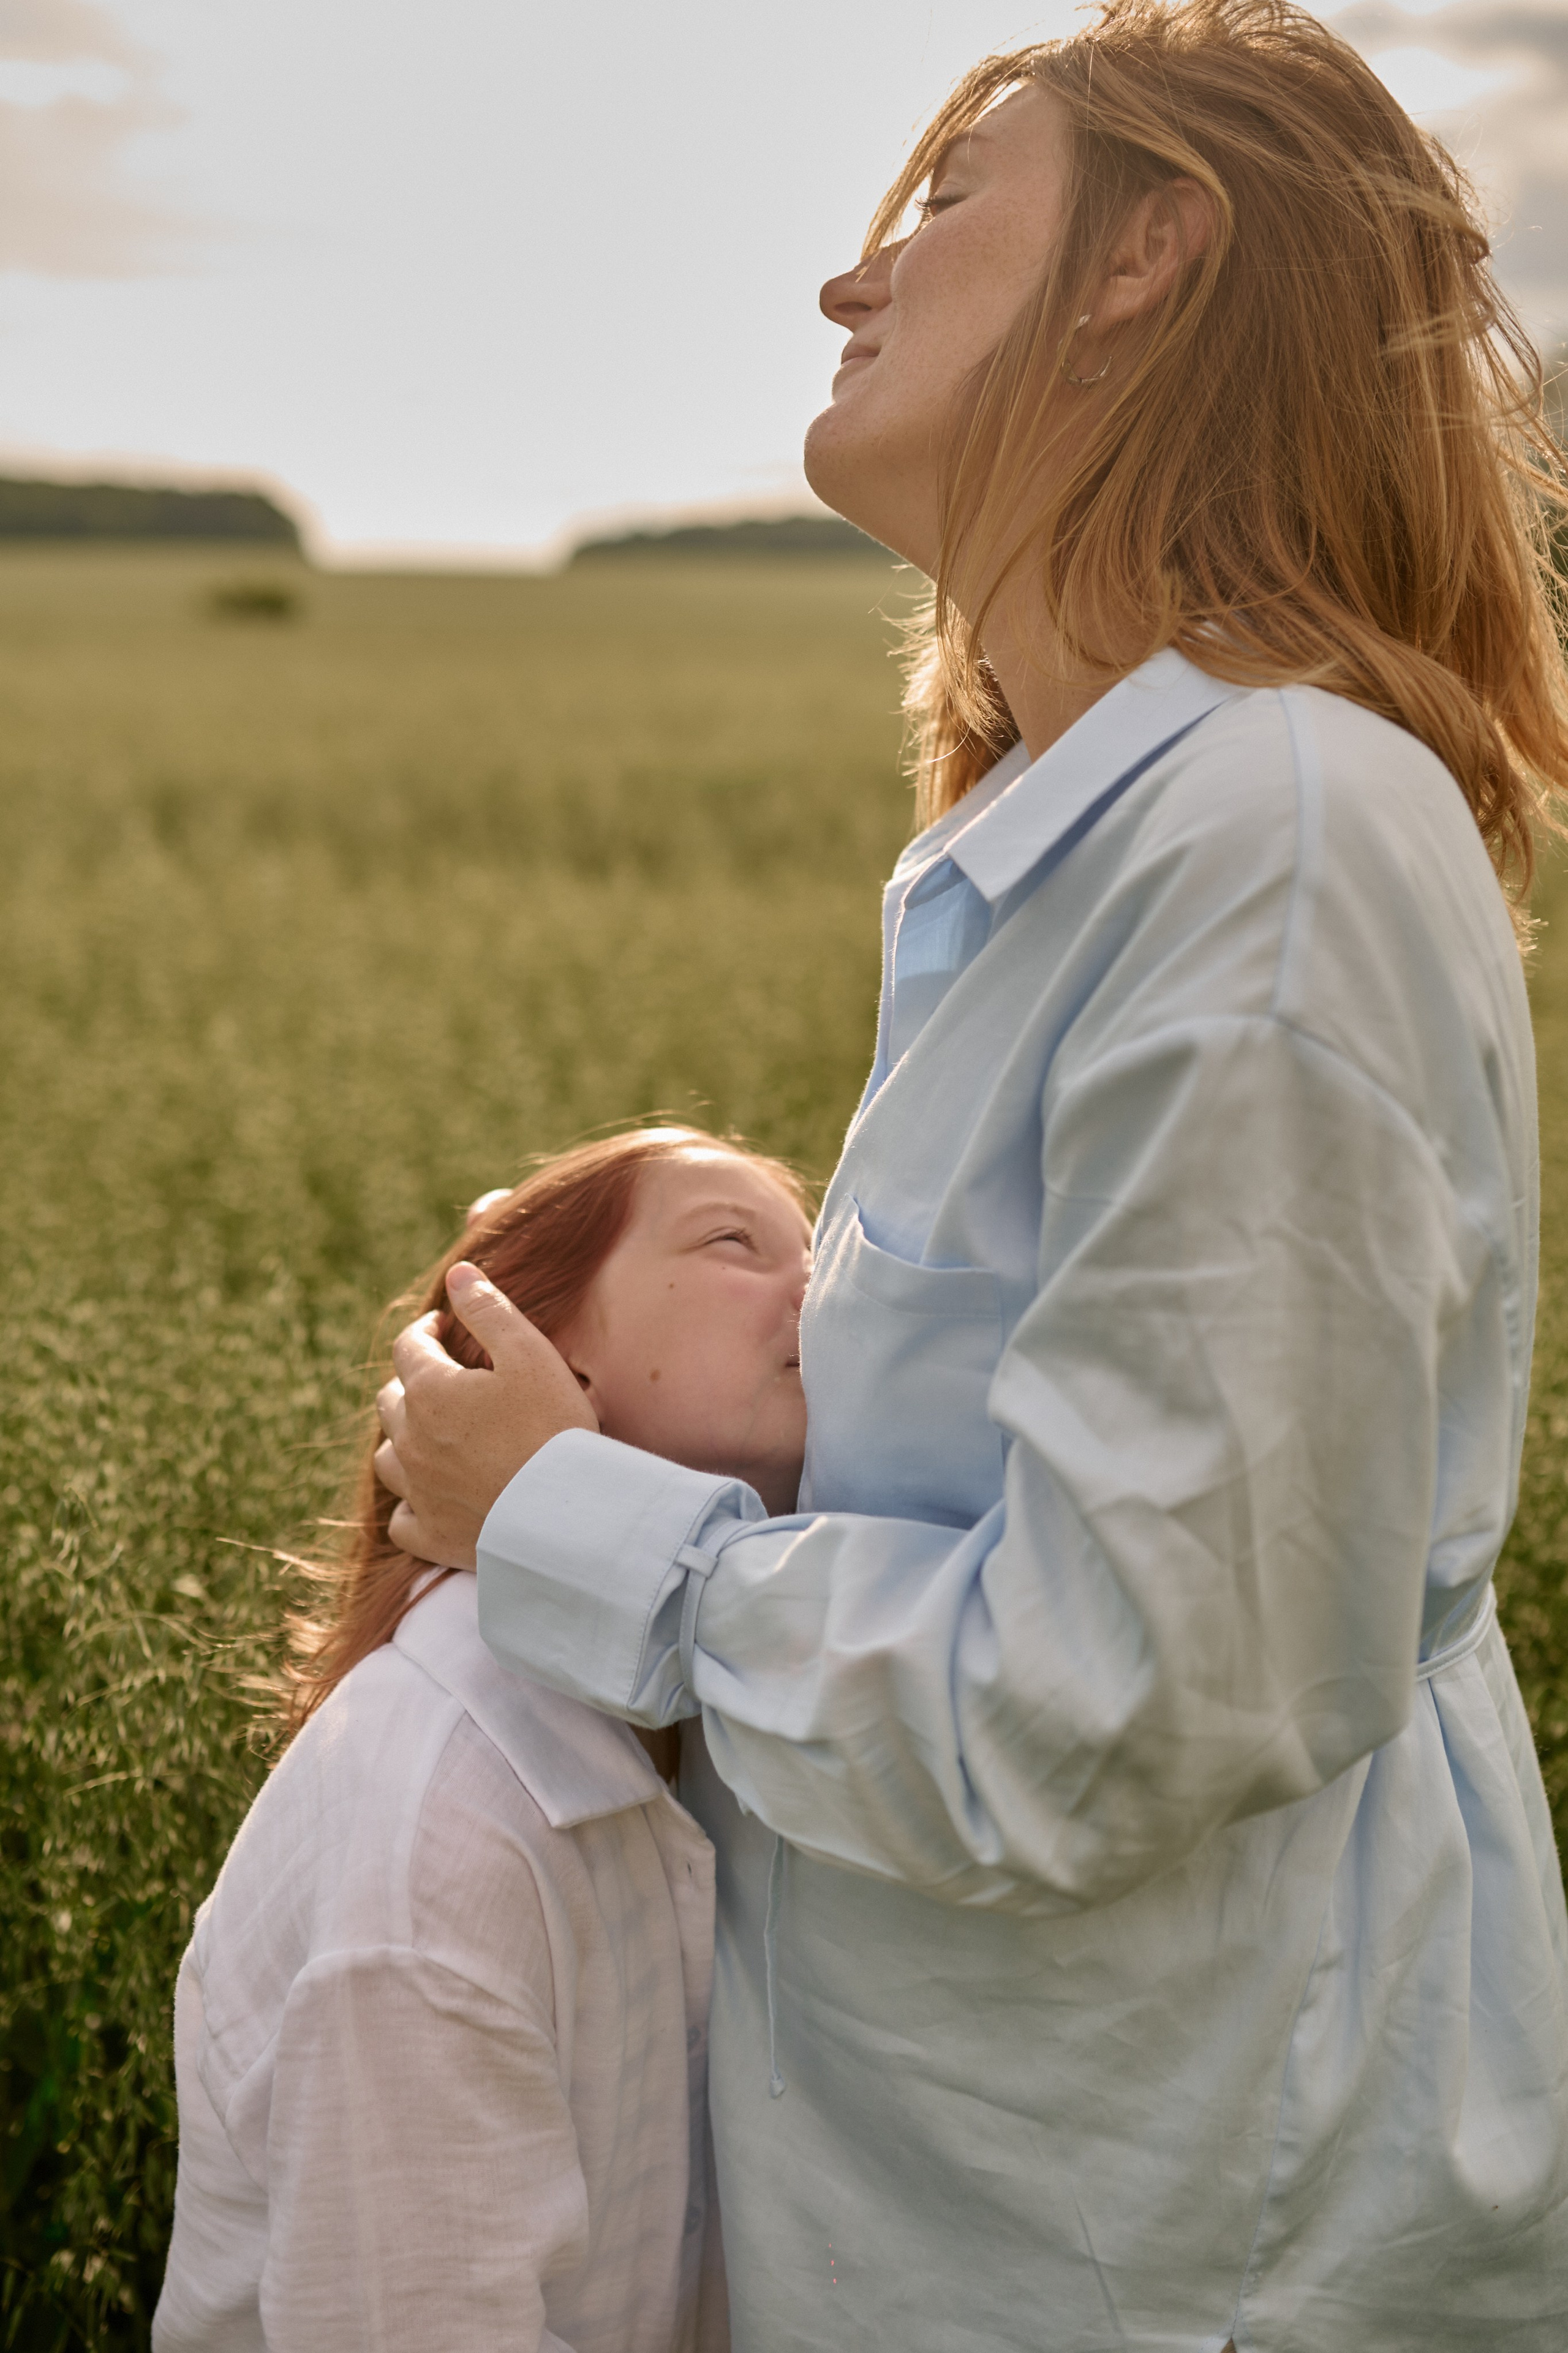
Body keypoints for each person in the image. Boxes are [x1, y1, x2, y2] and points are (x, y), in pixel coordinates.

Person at [372, 3, 1568, 2345]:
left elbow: (1112, 1702)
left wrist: (563, 1524)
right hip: (1022, 2206)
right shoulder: (1085, 833)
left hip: (1176, 2249)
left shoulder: (1275, 838)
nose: (850, 279)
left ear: (1150, 256)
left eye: (942, 199)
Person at [154, 1125, 812, 2353]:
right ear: (536, 1350)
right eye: (736, 1241)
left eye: (822, 1250)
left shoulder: (713, 1721)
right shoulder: (439, 1835)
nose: (821, 1289)